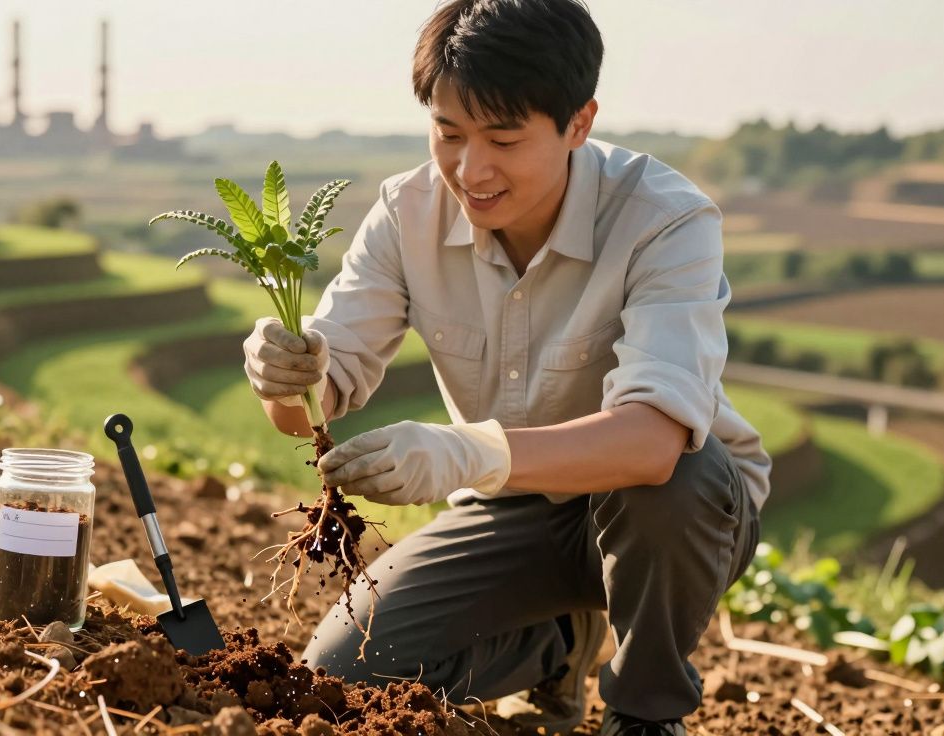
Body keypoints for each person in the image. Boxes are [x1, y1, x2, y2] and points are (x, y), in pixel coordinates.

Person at [241, 1, 771, 733]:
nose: (470, 168)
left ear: (578, 124)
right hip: (513, 505)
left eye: (504, 138)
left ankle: (643, 711)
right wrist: (282, 376)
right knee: (344, 676)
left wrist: (467, 451)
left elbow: (652, 443)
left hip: (676, 515)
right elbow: (311, 406)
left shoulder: (664, 220)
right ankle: (560, 644)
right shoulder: (407, 214)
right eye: (448, 133)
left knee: (678, 477)